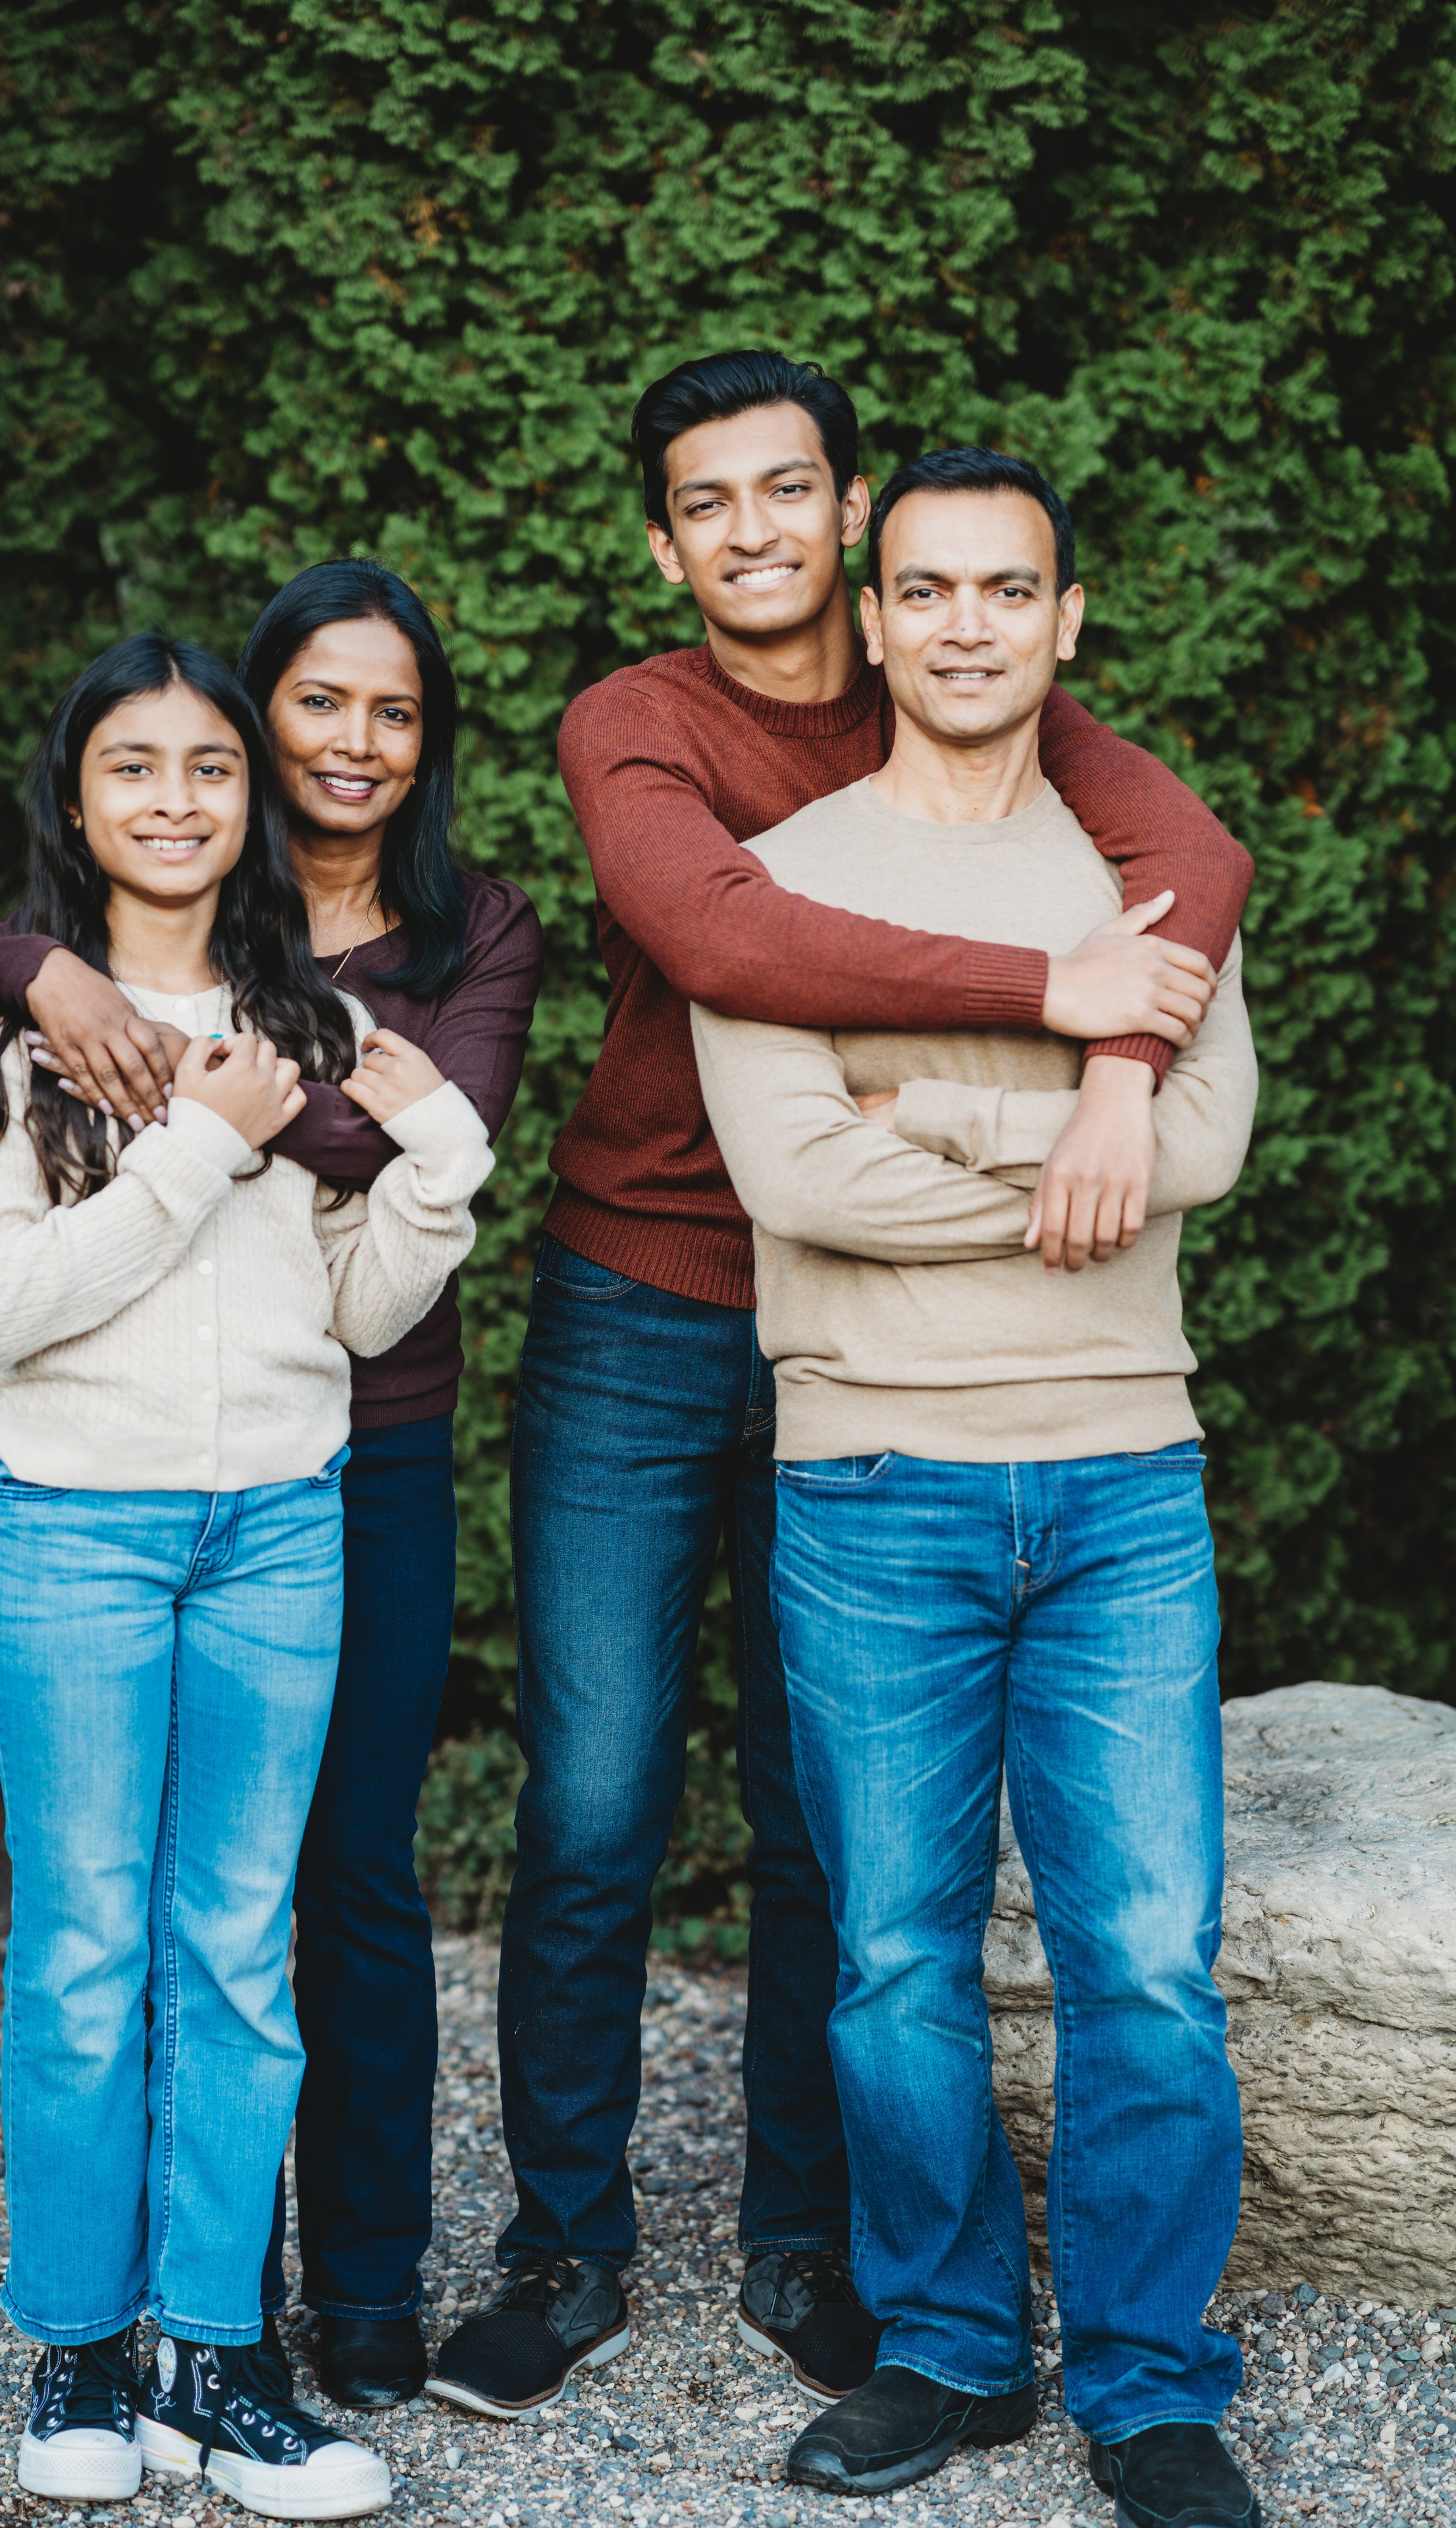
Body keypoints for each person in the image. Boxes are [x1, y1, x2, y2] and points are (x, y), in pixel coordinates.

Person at [426, 351, 1254, 2423]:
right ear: (665, 544)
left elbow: (1198, 866)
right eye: (707, 502)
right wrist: (1054, 1005)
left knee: (834, 1837)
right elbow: (724, 932)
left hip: (887, 1355)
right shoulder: (640, 723)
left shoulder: (972, 687)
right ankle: (565, 2246)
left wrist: (1121, 1074)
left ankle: (812, 2240)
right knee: (597, 1801)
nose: (753, 530)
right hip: (646, 1295)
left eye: (787, 488)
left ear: (853, 518)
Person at [0, 562, 544, 2413]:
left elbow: (357, 1312)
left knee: (238, 1955)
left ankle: (216, 2355)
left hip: (281, 1533)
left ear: (250, 802)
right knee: (84, 1952)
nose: (174, 798)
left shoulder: (305, 1026)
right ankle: (79, 2350)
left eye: (209, 767)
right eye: (132, 768)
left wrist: (436, 1176)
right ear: (76, 803)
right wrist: (193, 1152)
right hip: (79, 1533)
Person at [690, 448, 1259, 2528]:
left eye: (1007, 590)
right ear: (875, 615)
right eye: (925, 589)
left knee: (1148, 1963)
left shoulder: (1148, 868)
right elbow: (796, 1172)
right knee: (895, 1958)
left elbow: (1202, 1146)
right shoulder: (776, 877)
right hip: (873, 1478)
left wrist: (928, 1104)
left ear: (1066, 620)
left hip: (1122, 1479)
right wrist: (1068, 1144)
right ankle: (942, 2346)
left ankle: (1149, 2381)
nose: (964, 626)